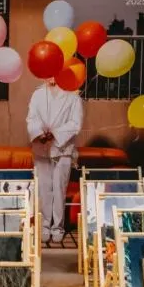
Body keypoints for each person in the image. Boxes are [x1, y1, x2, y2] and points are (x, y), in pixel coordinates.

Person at [27, 77, 83, 243]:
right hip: (41, 148)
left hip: (63, 149)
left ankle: (58, 227)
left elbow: (75, 123)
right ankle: (44, 226)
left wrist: (55, 134)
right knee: (43, 189)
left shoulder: (73, 96)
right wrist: (39, 133)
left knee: (59, 189)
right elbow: (31, 118)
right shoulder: (37, 94)